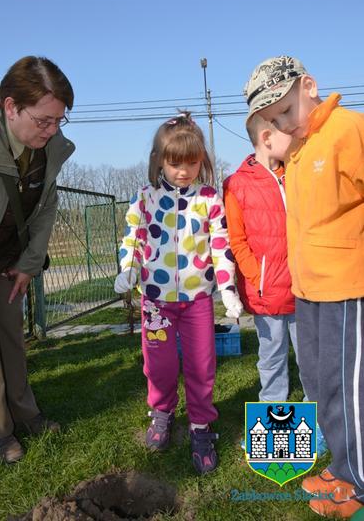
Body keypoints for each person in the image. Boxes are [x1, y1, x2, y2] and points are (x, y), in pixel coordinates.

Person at [243, 55, 364, 518]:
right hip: (308, 289)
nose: (284, 125)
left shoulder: (347, 130)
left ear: (309, 86)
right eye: (274, 120)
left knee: (347, 388)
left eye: (287, 112)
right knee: (317, 382)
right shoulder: (297, 150)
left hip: (346, 287)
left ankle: (359, 482)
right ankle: (344, 465)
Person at [114, 113, 243, 474]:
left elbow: (220, 246)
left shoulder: (209, 200)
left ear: (202, 161)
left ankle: (201, 427)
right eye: (174, 163)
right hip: (156, 303)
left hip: (197, 301)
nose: (183, 171)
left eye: (192, 162)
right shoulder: (146, 199)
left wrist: (227, 289)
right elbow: (133, 238)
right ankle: (162, 414)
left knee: (202, 366)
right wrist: (129, 267)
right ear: (159, 161)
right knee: (161, 364)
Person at [0, 56, 75, 464]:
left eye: (59, 121)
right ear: (10, 107)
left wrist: (29, 264)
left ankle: (25, 414)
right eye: (44, 121)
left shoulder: (46, 148)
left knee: (12, 340)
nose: (51, 131)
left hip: (4, 261)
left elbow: (46, 208)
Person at [223, 115, 298, 405]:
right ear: (267, 137)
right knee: (272, 357)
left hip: (305, 288)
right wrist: (258, 278)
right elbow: (236, 240)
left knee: (313, 359)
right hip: (267, 293)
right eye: (288, 133)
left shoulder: (297, 173)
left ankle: (321, 419)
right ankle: (273, 414)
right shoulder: (235, 185)